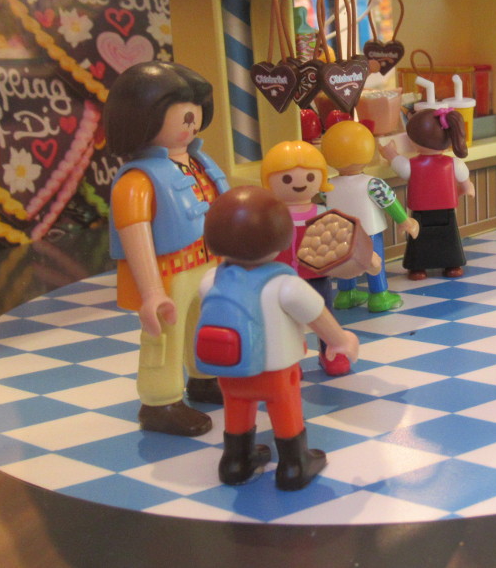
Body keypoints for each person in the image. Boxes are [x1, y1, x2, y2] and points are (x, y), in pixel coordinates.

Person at [200, 186, 359, 490]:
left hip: (231, 367)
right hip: (276, 369)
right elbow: (318, 316)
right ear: (280, 235)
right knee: (285, 409)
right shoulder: (286, 285)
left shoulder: (210, 279)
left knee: (236, 408)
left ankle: (235, 462)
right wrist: (341, 341)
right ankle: (294, 464)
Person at [105, 61, 227, 437]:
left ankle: (205, 378)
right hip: (167, 272)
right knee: (165, 335)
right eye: (182, 115)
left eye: (195, 113)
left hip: (207, 262)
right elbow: (135, 233)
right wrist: (151, 291)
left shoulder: (198, 162)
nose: (192, 122)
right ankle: (160, 403)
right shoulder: (136, 181)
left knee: (205, 323)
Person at [259, 140, 345, 375]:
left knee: (324, 315)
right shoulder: (272, 216)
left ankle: (331, 351)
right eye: (286, 178)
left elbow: (339, 242)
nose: (299, 184)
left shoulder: (322, 212)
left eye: (310, 177)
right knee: (284, 322)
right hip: (281, 279)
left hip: (317, 275)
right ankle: (288, 361)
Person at [320, 121, 420, 312]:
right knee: (374, 261)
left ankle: (345, 294)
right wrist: (405, 221)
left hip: (340, 233)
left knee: (344, 261)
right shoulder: (373, 184)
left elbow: (326, 204)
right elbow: (389, 202)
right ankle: (379, 295)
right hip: (369, 232)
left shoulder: (327, 186)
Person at [380, 108, 474, 280]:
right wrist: (466, 189)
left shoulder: (412, 165)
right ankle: (452, 266)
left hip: (422, 212)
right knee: (447, 237)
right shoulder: (454, 163)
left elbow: (399, 165)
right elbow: (465, 182)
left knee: (421, 238)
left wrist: (391, 154)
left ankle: (419, 268)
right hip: (444, 211)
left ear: (415, 141)